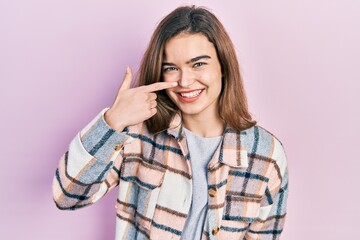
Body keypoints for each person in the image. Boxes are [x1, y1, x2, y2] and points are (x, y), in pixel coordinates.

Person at [52, 5, 289, 240]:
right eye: (171, 68)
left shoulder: (265, 154)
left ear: (223, 67)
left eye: (198, 64)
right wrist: (112, 121)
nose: (184, 81)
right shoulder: (137, 134)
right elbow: (68, 195)